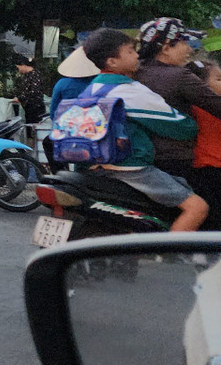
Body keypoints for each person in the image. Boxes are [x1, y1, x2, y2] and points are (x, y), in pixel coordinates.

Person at [80, 28, 208, 231]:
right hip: (132, 169)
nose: (137, 55)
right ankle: (167, 255)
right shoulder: (128, 90)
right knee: (197, 207)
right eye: (130, 51)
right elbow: (181, 127)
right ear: (112, 61)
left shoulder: (91, 88)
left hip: (96, 167)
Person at [134, 17, 221, 197]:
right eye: (184, 43)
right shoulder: (179, 76)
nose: (189, 49)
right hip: (177, 160)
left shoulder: (134, 73)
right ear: (166, 48)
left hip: (139, 158)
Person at [44, 45, 100, 171]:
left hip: (68, 130)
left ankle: (60, 174)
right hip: (95, 129)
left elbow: (54, 113)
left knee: (48, 143)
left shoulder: (62, 84)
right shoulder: (98, 83)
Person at [184, 59, 221, 228]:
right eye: (219, 79)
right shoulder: (209, 109)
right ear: (200, 86)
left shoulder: (189, 108)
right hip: (211, 171)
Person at [11, 53, 46, 124]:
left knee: (32, 128)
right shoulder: (27, 75)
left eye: (18, 67)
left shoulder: (34, 75)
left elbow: (34, 92)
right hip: (29, 108)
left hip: (35, 109)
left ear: (23, 65)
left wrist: (20, 98)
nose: (19, 70)